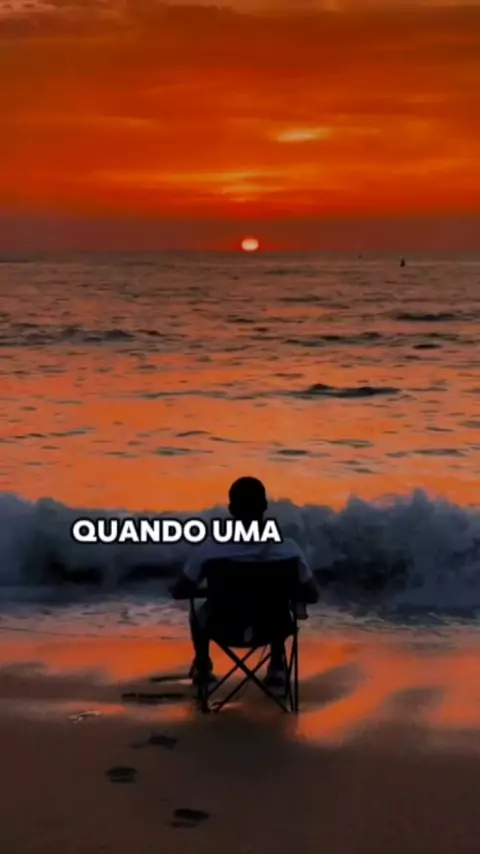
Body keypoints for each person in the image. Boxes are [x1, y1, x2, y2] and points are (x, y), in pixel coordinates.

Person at [170, 476, 319, 688]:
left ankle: (203, 665)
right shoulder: (288, 549)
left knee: (198, 612)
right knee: (281, 606)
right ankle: (277, 665)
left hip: (222, 627)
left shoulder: (211, 548)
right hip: (272, 628)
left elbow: (180, 591)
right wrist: (282, 591)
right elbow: (312, 594)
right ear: (265, 506)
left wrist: (211, 591)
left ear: (231, 509)